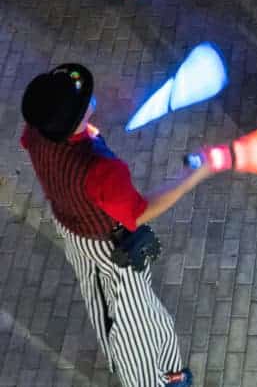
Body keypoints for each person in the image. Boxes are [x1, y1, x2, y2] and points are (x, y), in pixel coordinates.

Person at [20, 63, 215, 386]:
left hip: (71, 226)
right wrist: (189, 177)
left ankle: (170, 371)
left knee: (137, 310)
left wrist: (83, 131)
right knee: (130, 326)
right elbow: (138, 212)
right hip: (108, 250)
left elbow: (48, 148)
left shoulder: (36, 132)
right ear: (74, 123)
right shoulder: (101, 170)